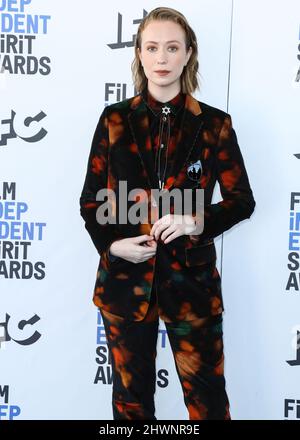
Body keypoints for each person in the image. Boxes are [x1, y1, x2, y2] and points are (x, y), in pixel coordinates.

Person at [79, 7, 255, 420]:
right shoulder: (114, 120)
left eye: (172, 48)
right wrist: (113, 244)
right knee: (130, 405)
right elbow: (91, 199)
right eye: (152, 47)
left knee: (208, 403)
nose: (162, 58)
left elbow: (241, 199)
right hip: (125, 286)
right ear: (139, 54)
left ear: (188, 53)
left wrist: (198, 222)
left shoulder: (214, 124)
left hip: (192, 287)